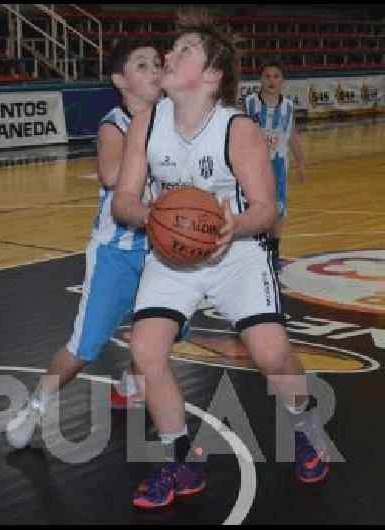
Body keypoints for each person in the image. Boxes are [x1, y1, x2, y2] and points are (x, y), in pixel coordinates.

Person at [111, 22, 330, 509]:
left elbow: (266, 209)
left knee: (271, 354)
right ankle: (181, 460)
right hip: (173, 253)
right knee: (146, 352)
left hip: (236, 251)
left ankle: (303, 422)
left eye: (184, 49)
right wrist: (150, 215)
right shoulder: (147, 122)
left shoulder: (239, 129)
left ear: (211, 74)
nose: (169, 53)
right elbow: (122, 200)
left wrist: (235, 226)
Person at [5, 42, 163, 449]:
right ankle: (36, 406)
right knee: (84, 347)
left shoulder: (174, 121)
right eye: (142, 64)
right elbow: (112, 175)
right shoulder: (115, 125)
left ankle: (128, 381)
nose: (155, 70)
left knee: (162, 333)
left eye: (158, 64)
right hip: (116, 253)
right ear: (120, 81)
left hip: (162, 252)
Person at [244, 60, 306, 272]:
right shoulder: (250, 103)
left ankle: (274, 251)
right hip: (253, 165)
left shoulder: (288, 106)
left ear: (283, 81)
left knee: (279, 211)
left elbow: (293, 136)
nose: (271, 80)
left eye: (276, 76)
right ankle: (257, 250)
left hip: (278, 164)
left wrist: (301, 164)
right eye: (267, 76)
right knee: (255, 207)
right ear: (260, 80)